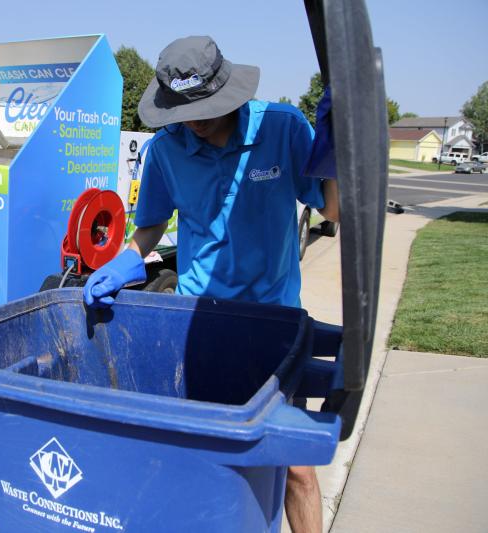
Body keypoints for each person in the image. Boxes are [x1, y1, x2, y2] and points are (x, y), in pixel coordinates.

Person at [83, 36, 339, 533]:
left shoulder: (282, 129)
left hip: (273, 323)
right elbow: (150, 229)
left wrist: (335, 150)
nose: (195, 121)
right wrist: (124, 263)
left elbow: (332, 210)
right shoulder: (165, 151)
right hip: (199, 325)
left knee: (297, 471)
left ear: (228, 91)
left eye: (204, 107)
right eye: (182, 110)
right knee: (201, 462)